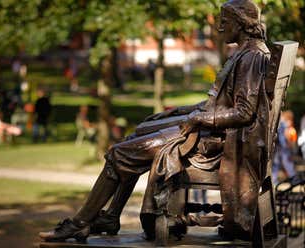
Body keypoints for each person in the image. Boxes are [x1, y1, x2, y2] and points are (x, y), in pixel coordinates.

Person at [39, 0, 270, 242]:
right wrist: (177, 111)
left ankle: (79, 223)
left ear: (242, 24)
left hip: (213, 144)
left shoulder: (250, 57)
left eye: (225, 22)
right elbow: (221, 104)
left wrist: (197, 117)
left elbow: (244, 112)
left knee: (120, 153)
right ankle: (110, 216)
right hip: (209, 133)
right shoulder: (248, 52)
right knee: (138, 133)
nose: (219, 28)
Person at [272, 111, 297, 184]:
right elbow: (286, 137)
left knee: (278, 164)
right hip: (283, 147)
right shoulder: (285, 124)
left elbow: (285, 136)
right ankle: (294, 180)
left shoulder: (282, 124)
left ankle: (274, 181)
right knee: (287, 164)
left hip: (280, 147)